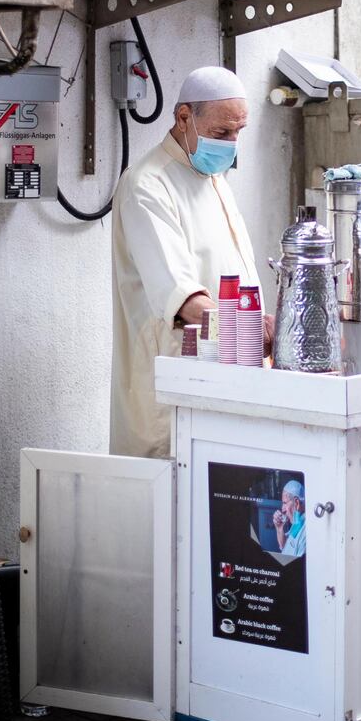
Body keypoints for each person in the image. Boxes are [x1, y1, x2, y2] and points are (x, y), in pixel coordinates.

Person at [111, 66, 272, 459]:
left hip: (227, 389)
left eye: (239, 132)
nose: (232, 143)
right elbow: (185, 304)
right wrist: (263, 329)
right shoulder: (147, 185)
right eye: (221, 133)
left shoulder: (212, 177)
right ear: (184, 118)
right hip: (173, 401)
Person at [272, 480, 306, 557]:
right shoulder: (297, 523)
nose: (282, 509)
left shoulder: (306, 532)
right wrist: (279, 529)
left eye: (285, 503)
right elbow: (285, 547)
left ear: (296, 503)